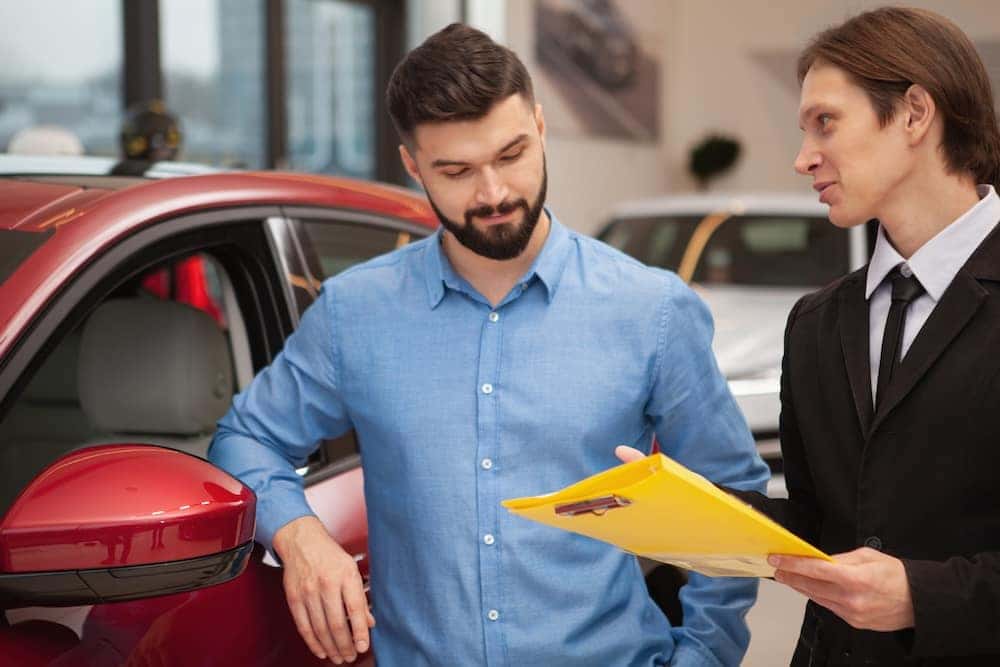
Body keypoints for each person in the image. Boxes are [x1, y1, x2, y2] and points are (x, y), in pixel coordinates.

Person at [210, 23, 768, 666]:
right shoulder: (355, 313)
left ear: (540, 125)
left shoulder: (651, 310)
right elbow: (246, 439)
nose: (494, 193)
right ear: (412, 165)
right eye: (457, 170)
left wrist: (702, 656)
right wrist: (300, 533)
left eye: (512, 155)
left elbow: (732, 505)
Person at [618, 7, 1000, 665]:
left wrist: (922, 594)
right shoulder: (817, 323)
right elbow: (828, 525)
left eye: (826, 122)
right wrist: (688, 511)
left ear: (914, 113)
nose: (802, 159)